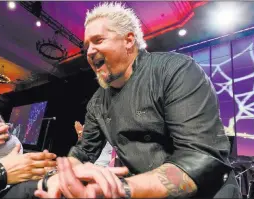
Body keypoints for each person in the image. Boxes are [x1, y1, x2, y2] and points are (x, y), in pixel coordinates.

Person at [34, 2, 240, 199]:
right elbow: (84, 151)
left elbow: (199, 156)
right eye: (86, 45)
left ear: (129, 40)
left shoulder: (175, 70)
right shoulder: (97, 103)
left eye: (98, 40)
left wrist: (120, 189)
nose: (89, 51)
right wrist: (59, 176)